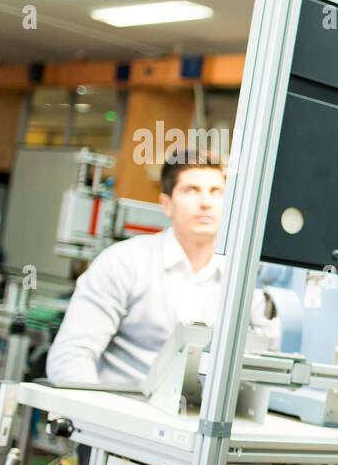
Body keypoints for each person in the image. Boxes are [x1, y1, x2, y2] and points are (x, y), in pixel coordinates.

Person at [47, 152, 273, 388]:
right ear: (166, 204)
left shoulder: (245, 277)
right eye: (191, 190)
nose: (206, 202)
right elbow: (69, 358)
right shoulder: (123, 262)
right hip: (121, 406)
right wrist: (98, 409)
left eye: (216, 192)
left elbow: (272, 355)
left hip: (202, 410)